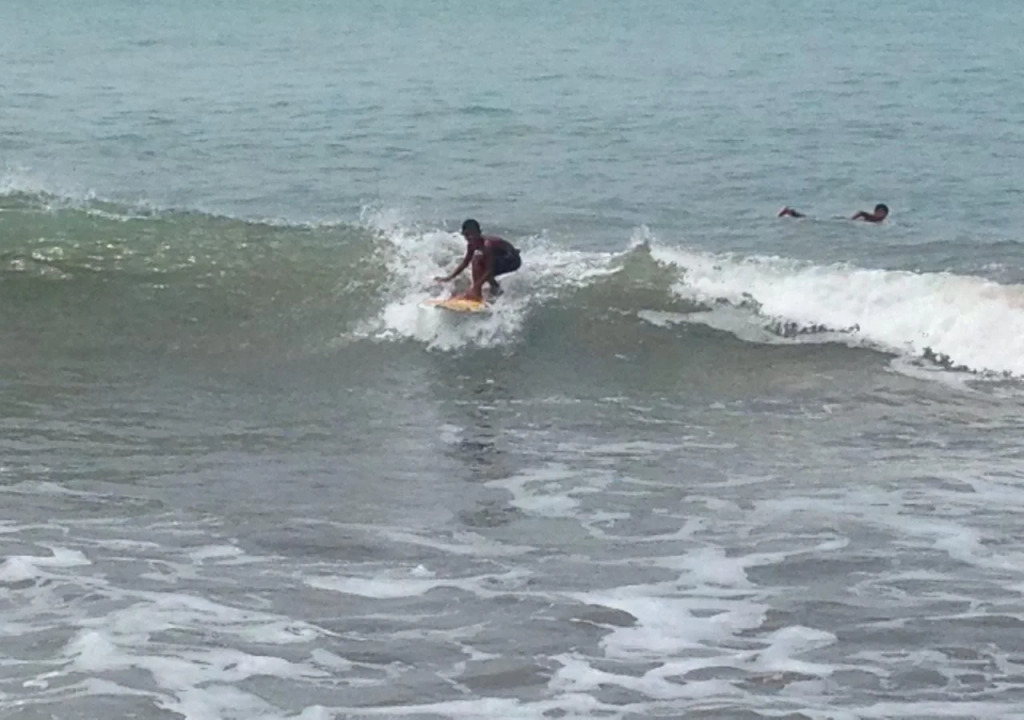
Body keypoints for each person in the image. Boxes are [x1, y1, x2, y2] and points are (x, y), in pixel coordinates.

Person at [435, 219, 521, 301]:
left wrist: (477, 286)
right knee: (478, 262)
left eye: (472, 234)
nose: (470, 237)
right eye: (466, 235)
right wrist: (449, 278)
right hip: (500, 257)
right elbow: (465, 263)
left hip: (512, 260)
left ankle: (479, 292)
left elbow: (489, 270)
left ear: (479, 233)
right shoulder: (471, 245)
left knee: (479, 261)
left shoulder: (487, 245)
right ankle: (494, 290)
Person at [777, 203, 889, 222]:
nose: (883, 216)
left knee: (809, 219)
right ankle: (790, 212)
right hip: (845, 221)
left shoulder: (877, 219)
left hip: (844, 220)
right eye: (882, 213)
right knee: (809, 219)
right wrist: (851, 221)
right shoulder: (875, 218)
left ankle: (791, 212)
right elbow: (861, 212)